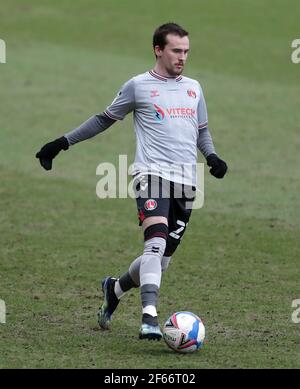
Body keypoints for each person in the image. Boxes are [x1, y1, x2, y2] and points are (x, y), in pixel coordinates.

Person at [36, 23, 228, 340]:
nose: (182, 57)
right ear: (158, 50)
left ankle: (115, 288)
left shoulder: (194, 88)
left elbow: (202, 131)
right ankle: (149, 315)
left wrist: (212, 157)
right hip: (149, 175)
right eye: (176, 51)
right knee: (154, 243)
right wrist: (62, 143)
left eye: (186, 51)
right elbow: (103, 119)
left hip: (186, 183)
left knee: (160, 262)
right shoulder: (138, 86)